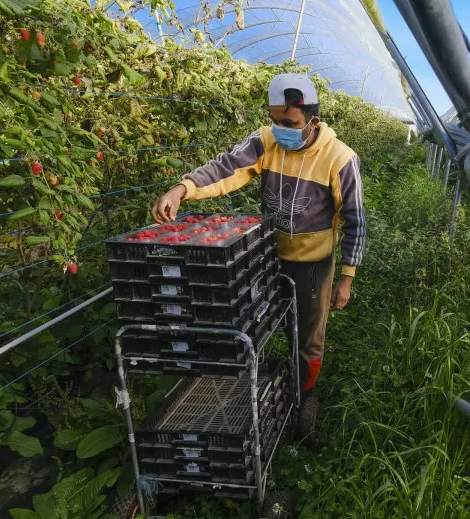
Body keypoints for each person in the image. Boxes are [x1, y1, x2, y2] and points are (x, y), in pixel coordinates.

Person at [151, 73, 365, 396]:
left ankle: (301, 393)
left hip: (313, 265)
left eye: (290, 123)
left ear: (312, 121)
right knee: (254, 321)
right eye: (275, 120)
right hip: (267, 253)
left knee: (308, 332)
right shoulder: (266, 141)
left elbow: (355, 220)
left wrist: (346, 277)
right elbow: (227, 168)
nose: (281, 129)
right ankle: (252, 385)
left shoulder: (340, 158)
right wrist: (183, 189)